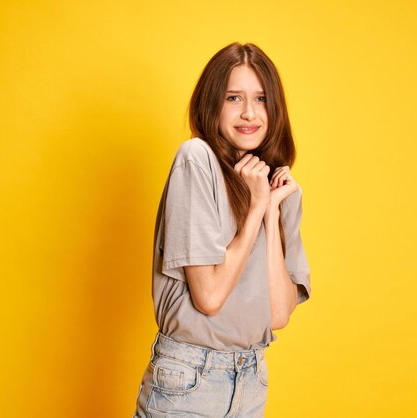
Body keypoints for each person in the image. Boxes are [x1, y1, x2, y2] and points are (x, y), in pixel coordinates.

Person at [132, 41, 311, 418]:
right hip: (189, 380)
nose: (249, 112)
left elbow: (278, 314)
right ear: (212, 103)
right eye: (234, 97)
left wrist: (270, 210)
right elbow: (209, 297)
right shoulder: (196, 161)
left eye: (261, 99)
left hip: (251, 380)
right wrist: (255, 210)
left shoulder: (279, 189)